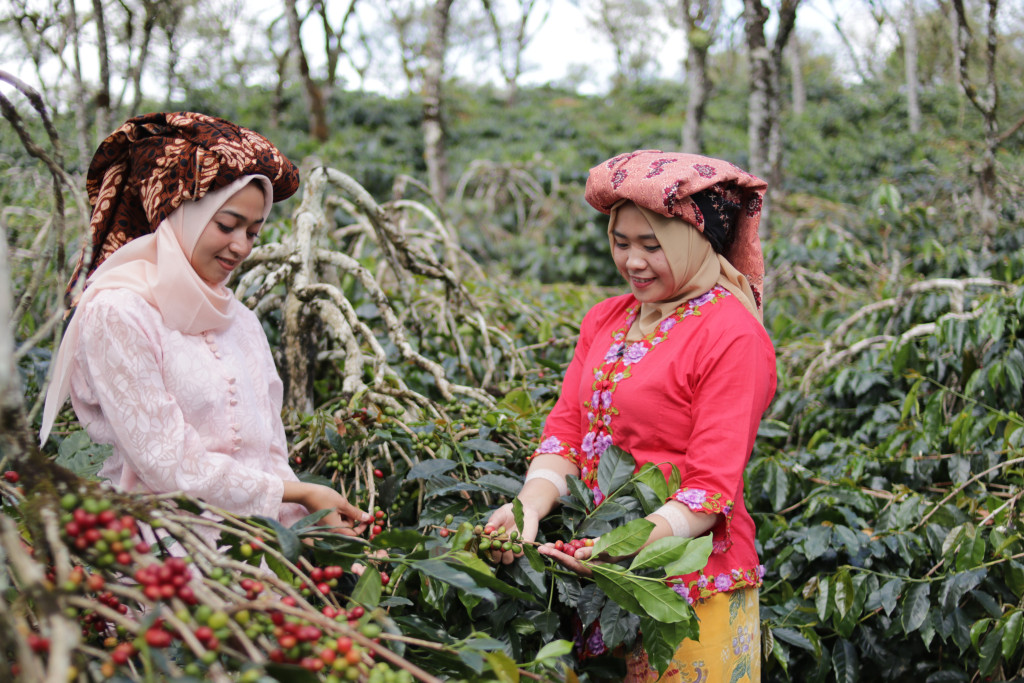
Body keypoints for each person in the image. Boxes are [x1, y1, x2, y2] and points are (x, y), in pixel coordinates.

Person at [486, 151, 776, 682]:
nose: (634, 262)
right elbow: (567, 432)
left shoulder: (731, 334)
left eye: (653, 245)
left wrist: (629, 543)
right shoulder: (606, 319)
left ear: (697, 241)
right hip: (597, 573)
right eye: (622, 243)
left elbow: (710, 488)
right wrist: (527, 509)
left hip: (692, 585)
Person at [39, 112, 369, 544]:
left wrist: (304, 531)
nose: (241, 247)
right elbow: (167, 463)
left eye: (253, 231)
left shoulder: (240, 320)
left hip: (259, 552)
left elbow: (270, 453)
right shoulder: (117, 312)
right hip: (163, 556)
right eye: (227, 225)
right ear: (181, 215)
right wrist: (302, 494)